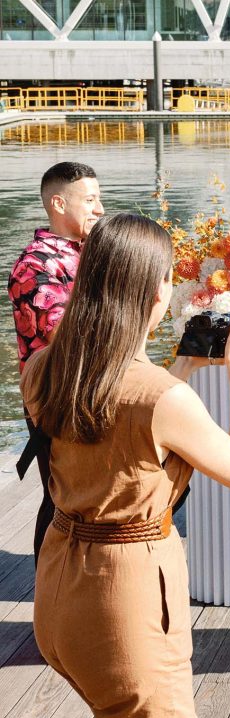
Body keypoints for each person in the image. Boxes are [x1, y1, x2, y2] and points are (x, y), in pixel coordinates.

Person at [21, 212, 230, 718]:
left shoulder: (43, 369)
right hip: (124, 602)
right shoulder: (162, 400)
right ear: (156, 290)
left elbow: (113, 422)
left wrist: (178, 365)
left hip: (60, 591)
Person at [8, 161, 104, 563]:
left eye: (100, 198)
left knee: (86, 495)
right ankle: (47, 595)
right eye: (91, 199)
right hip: (56, 395)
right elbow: (62, 335)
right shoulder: (36, 264)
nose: (99, 209)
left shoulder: (89, 252)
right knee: (59, 498)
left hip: (93, 386)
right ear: (59, 203)